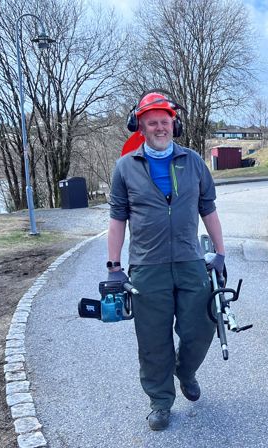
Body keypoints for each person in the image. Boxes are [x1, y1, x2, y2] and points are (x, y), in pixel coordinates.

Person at [107, 92, 226, 431]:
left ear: (175, 125)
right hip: (147, 266)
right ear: (140, 126)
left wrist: (220, 253)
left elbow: (208, 210)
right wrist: (114, 267)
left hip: (190, 261)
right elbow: (117, 219)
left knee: (201, 327)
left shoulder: (194, 162)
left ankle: (185, 371)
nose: (160, 127)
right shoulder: (125, 168)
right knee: (152, 339)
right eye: (152, 122)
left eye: (165, 121)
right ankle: (160, 401)